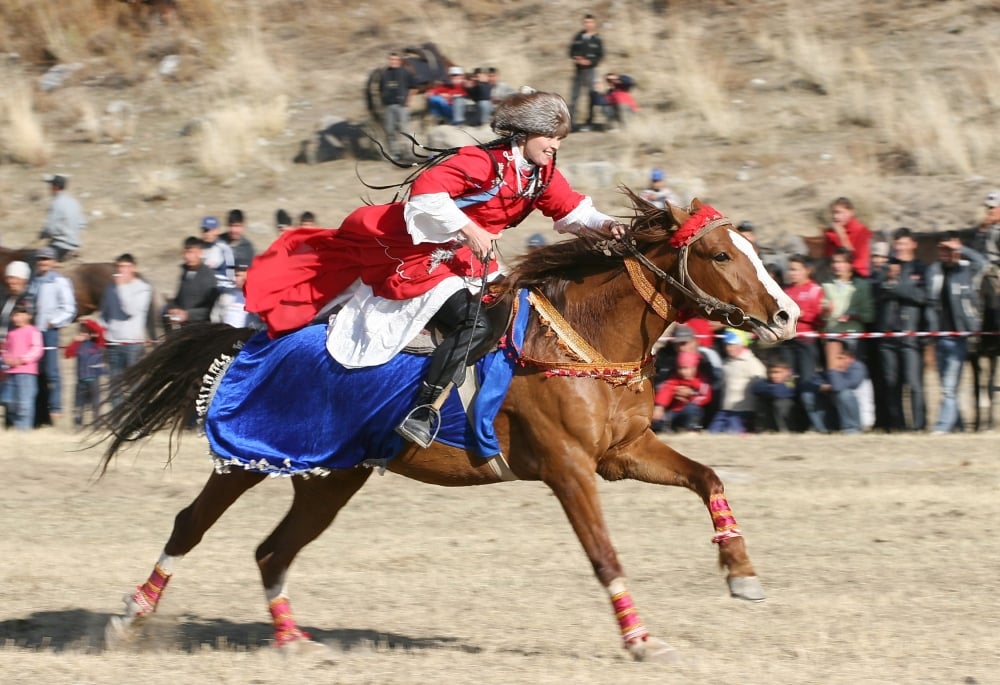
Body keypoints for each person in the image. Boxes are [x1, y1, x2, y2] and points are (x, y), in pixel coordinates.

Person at [245, 91, 627, 448]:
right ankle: (423, 411)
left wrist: (608, 224)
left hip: (471, 258)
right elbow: (426, 193)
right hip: (421, 253)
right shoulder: (481, 163)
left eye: (559, 139)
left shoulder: (540, 173)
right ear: (525, 133)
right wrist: (469, 227)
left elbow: (573, 210)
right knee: (478, 322)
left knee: (523, 313)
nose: (555, 146)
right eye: (549, 137)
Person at [925, 232, 987, 434]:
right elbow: (930, 303)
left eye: (948, 248)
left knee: (949, 387)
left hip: (960, 337)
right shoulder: (934, 271)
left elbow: (983, 263)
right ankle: (958, 425)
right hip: (940, 336)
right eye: (942, 248)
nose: (945, 252)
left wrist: (960, 249)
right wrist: (931, 333)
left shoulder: (966, 270)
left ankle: (942, 427)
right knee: (946, 385)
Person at [871, 227, 927, 431]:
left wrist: (895, 286)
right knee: (891, 383)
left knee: (913, 384)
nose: (900, 248)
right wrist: (888, 281)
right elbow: (876, 293)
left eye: (904, 243)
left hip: (910, 335)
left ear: (913, 244)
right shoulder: (885, 268)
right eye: (897, 244)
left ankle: (919, 426)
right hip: (887, 336)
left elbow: (923, 296)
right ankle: (898, 426)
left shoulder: (920, 269)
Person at [28, 246, 77, 423]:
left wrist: (54, 322)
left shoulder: (60, 281)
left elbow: (70, 308)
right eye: (40, 259)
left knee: (51, 371)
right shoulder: (33, 281)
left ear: (54, 262)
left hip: (49, 332)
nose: (43, 262)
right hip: (33, 331)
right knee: (36, 371)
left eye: (46, 259)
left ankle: (56, 407)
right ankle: (40, 409)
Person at [99, 252, 152, 401]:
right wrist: (99, 331)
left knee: (135, 385)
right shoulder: (110, 288)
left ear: (133, 268)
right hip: (113, 342)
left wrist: (122, 288)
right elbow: (104, 313)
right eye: (119, 267)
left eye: (126, 267)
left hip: (133, 344)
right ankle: (117, 422)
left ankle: (136, 419)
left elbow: (131, 310)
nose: (122, 271)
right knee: (114, 386)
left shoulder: (143, 288)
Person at [820, 247, 873, 368]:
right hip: (833, 336)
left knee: (855, 374)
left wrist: (853, 316)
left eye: (841, 262)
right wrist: (826, 311)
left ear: (850, 264)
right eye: (834, 262)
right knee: (834, 375)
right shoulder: (826, 285)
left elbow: (870, 316)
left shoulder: (862, 286)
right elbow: (822, 316)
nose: (836, 265)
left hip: (853, 337)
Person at [708, 328, 766, 434]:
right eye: (726, 345)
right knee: (712, 432)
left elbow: (761, 385)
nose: (729, 348)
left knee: (733, 432)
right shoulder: (725, 363)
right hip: (725, 409)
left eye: (732, 344)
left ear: (742, 344)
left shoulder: (752, 363)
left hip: (743, 410)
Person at [800, 345, 868, 434]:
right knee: (808, 395)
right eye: (836, 358)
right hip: (833, 399)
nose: (837, 361)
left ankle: (852, 429)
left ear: (851, 358)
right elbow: (815, 381)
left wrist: (833, 371)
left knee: (845, 394)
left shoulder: (858, 367)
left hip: (855, 403)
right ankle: (823, 428)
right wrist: (820, 386)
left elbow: (841, 387)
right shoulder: (831, 366)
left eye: (841, 358)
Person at [1, 303, 43, 431]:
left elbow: (37, 349)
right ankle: (16, 426)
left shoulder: (33, 331)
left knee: (24, 403)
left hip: (26, 373)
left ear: (29, 316)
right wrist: (6, 358)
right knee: (9, 401)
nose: (16, 318)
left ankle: (24, 429)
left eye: (19, 314)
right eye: (14, 315)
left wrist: (22, 360)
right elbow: (6, 350)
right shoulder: (12, 333)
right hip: (10, 373)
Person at [164, 236, 218, 331]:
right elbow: (180, 298)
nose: (187, 256)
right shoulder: (185, 271)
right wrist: (174, 308)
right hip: (182, 327)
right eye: (185, 252)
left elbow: (211, 308)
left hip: (199, 329)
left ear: (200, 253)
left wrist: (187, 314)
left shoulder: (208, 276)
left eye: (191, 252)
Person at [651, 350, 711, 433]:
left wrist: (691, 396)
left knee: (692, 410)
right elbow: (666, 390)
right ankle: (664, 429)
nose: (683, 372)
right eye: (680, 368)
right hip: (676, 410)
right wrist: (659, 407)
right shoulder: (675, 378)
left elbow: (706, 395)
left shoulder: (701, 380)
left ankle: (693, 429)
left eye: (686, 368)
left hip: (693, 409)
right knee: (662, 419)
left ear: (695, 367)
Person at [64, 318, 105, 428]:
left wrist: (86, 322)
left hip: (94, 380)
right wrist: (76, 341)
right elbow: (67, 354)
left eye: (87, 332)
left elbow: (100, 331)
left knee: (95, 404)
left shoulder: (97, 343)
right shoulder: (78, 345)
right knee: (78, 404)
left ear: (91, 333)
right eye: (82, 332)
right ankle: (78, 425)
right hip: (81, 379)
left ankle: (97, 424)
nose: (84, 334)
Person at [568, 13, 604, 130]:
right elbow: (571, 51)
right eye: (586, 22)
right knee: (574, 96)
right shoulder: (578, 36)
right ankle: (571, 124)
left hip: (591, 70)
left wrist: (590, 62)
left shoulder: (597, 38)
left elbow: (600, 55)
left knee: (591, 96)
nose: (588, 24)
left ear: (594, 23)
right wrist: (577, 58)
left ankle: (590, 121)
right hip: (578, 70)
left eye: (590, 22)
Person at [39, 174, 86, 261]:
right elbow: (82, 224)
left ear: (55, 187)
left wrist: (42, 234)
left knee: (36, 261)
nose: (49, 188)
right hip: (75, 246)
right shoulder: (74, 202)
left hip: (60, 246)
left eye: (51, 186)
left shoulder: (56, 203)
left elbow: (50, 229)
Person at [822, 196, 872, 278]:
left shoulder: (861, 231)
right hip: (834, 276)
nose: (835, 217)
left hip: (857, 275)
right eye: (833, 213)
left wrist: (841, 235)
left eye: (839, 212)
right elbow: (827, 258)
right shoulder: (831, 233)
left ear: (851, 212)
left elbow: (853, 258)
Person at [379, 52, 417, 159]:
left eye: (395, 60)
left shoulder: (405, 72)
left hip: (402, 105)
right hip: (388, 105)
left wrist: (408, 100)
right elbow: (381, 89)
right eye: (391, 59)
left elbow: (414, 87)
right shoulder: (385, 73)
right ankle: (395, 153)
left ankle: (409, 152)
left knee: (404, 129)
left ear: (399, 61)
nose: (393, 62)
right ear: (389, 60)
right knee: (390, 130)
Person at [751, 355, 798, 432]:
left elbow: (779, 392)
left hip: (792, 413)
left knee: (781, 402)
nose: (773, 375)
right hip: (772, 410)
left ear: (788, 371)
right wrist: (773, 387)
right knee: (761, 401)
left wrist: (769, 387)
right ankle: (764, 429)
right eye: (770, 372)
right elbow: (756, 388)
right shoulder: (768, 380)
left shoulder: (791, 379)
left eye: (777, 372)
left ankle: (785, 430)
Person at [211, 264, 261, 329]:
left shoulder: (258, 297)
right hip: (225, 334)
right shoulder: (227, 294)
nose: (234, 279)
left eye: (238, 275)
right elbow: (216, 315)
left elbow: (261, 322)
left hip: (246, 335)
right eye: (235, 275)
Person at [199, 216, 236, 288]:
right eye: (205, 230)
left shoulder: (225, 250)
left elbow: (231, 279)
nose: (207, 233)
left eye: (210, 230)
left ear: (217, 231)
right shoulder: (198, 247)